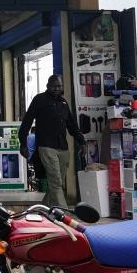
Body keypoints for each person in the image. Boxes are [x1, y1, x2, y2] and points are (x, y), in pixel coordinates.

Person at [19, 75, 86, 209]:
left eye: (59, 86)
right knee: (55, 181)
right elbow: (27, 121)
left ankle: (42, 209)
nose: (57, 88)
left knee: (57, 183)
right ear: (48, 86)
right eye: (54, 86)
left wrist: (81, 141)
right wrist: (23, 143)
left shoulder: (63, 103)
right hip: (46, 146)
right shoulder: (40, 100)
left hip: (63, 148)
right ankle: (66, 214)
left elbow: (72, 125)